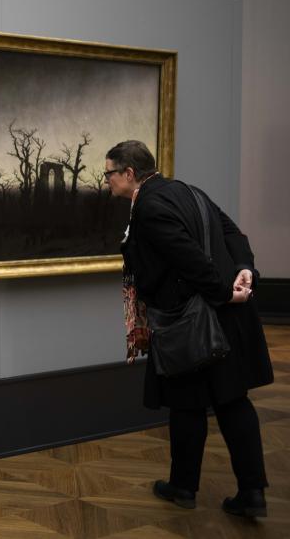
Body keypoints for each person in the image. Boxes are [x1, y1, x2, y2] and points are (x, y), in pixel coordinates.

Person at [106, 140, 273, 517]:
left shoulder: (147, 206)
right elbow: (233, 234)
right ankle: (251, 493)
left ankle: (183, 487)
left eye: (109, 174)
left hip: (192, 321)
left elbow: (187, 257)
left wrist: (222, 293)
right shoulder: (188, 190)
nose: (107, 182)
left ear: (129, 174)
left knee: (187, 404)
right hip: (221, 318)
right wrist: (246, 271)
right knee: (232, 402)